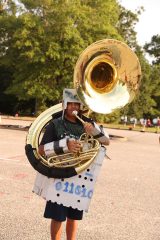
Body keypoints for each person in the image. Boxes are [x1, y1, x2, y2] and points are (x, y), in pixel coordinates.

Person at [36, 88, 110, 240]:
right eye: (70, 104)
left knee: (73, 217)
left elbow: (106, 141)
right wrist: (65, 145)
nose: (74, 107)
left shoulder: (88, 124)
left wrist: (95, 132)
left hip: (80, 178)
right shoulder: (55, 124)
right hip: (59, 177)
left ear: (81, 106)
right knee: (57, 217)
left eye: (77, 104)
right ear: (64, 104)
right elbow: (41, 150)